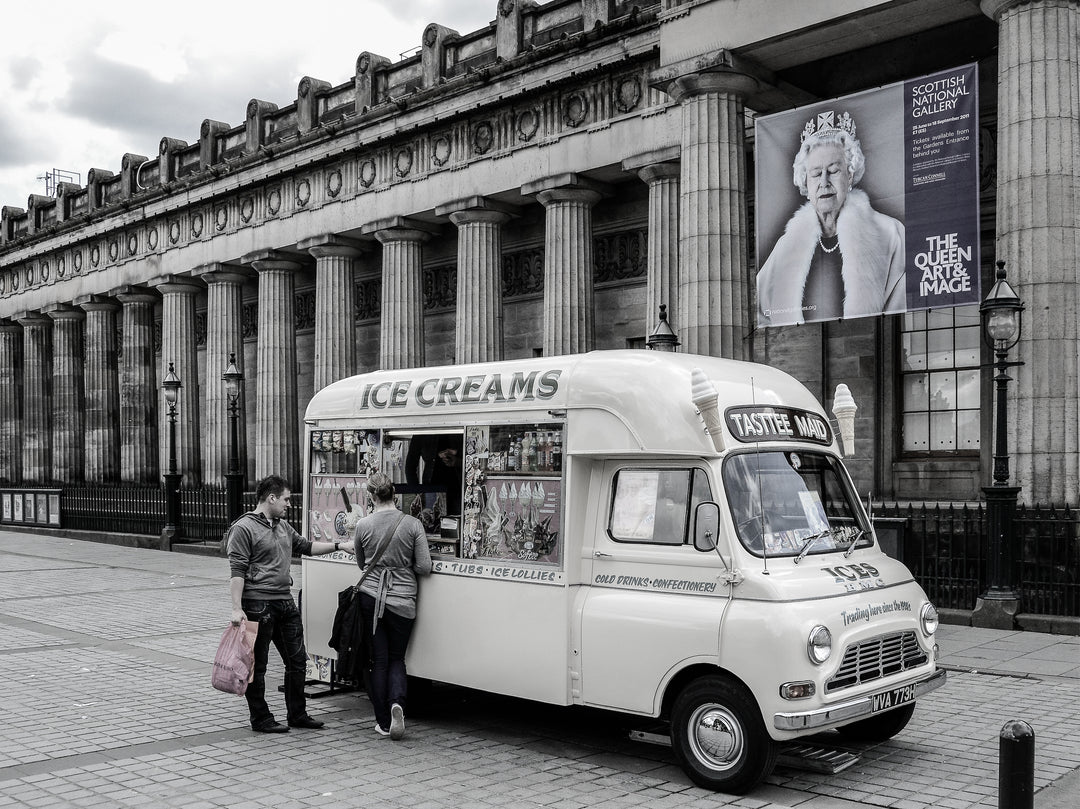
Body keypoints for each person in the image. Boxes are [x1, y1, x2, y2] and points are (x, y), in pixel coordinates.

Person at [227, 475, 354, 733]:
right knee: (257, 666)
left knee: (297, 661)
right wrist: (237, 608)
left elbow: (306, 546)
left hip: (284, 602)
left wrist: (340, 545)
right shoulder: (243, 528)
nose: (289, 504)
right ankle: (261, 718)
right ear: (271, 498)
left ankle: (298, 714)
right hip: (257, 606)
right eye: (286, 499)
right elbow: (237, 570)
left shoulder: (283, 526)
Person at [757, 110, 906, 326]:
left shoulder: (890, 233)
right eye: (816, 174)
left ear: (850, 174)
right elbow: (760, 314)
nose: (824, 182)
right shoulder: (785, 247)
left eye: (834, 171)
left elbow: (902, 313)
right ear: (805, 182)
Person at [351, 472, 432, 740]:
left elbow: (361, 564)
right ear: (394, 494)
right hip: (403, 599)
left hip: (371, 597)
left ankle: (384, 722)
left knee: (379, 660)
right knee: (398, 658)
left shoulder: (363, 525)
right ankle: (397, 703)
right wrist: (402, 566)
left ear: (371, 496)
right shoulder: (412, 524)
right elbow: (424, 566)